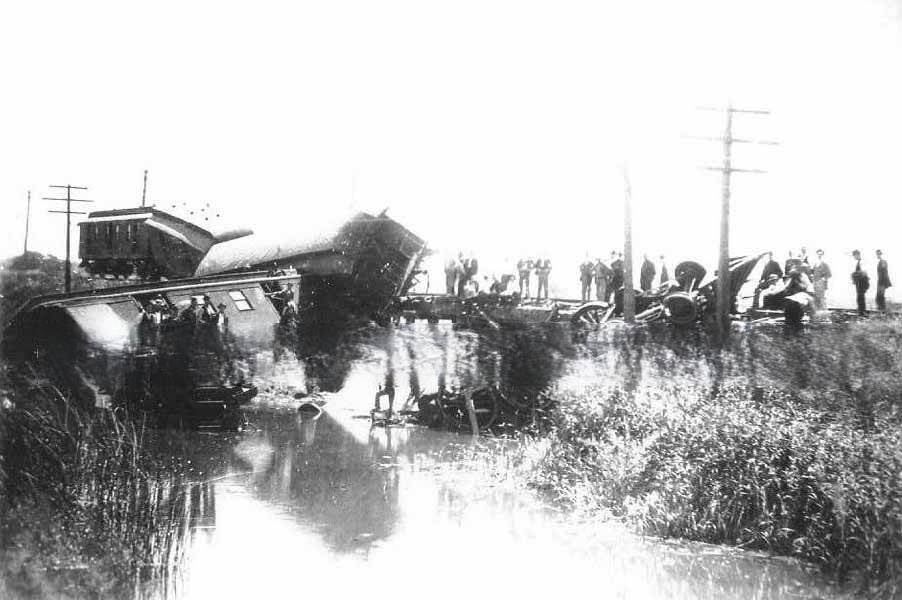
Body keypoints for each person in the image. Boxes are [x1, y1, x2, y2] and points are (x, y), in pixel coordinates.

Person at [851, 250, 870, 316]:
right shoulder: (859, 262)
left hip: (862, 282)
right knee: (860, 297)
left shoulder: (862, 262)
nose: (854, 257)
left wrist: (854, 274)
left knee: (860, 297)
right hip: (859, 282)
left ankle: (862, 312)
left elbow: (864, 273)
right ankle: (861, 311)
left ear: (857, 255)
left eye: (854, 255)